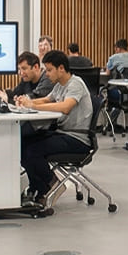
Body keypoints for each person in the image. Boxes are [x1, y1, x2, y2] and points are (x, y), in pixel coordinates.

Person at [17, 50, 94, 214]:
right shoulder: (59, 85)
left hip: (77, 139)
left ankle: (52, 184)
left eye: (50, 70)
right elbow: (46, 99)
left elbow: (66, 107)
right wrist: (26, 102)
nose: (48, 73)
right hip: (62, 133)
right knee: (22, 143)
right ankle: (39, 188)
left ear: (61, 68)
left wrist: (33, 106)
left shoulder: (75, 84)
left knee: (32, 150)